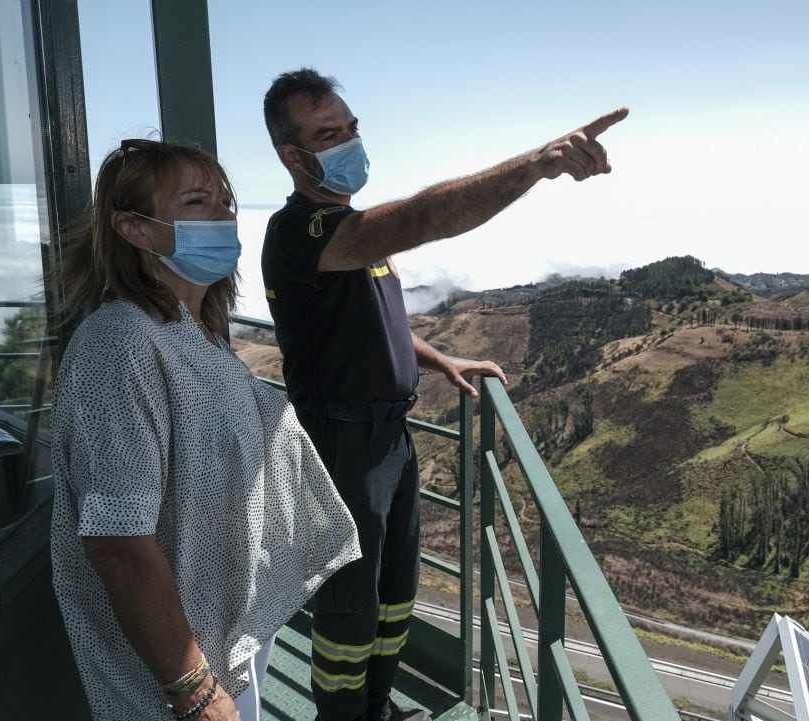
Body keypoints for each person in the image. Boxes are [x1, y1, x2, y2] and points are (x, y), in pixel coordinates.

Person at [260, 68, 626, 721]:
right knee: (350, 603)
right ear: (293, 155)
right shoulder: (303, 232)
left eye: (351, 128)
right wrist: (538, 164)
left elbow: (379, 324)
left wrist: (437, 356)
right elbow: (428, 215)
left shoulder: (349, 233)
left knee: (394, 593)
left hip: (387, 436)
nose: (347, 141)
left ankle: (377, 706)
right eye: (327, 134)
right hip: (343, 441)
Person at [49, 138, 361, 721]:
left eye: (226, 201)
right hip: (178, 672)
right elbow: (119, 545)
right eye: (198, 202)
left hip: (219, 635)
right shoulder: (120, 344)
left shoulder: (196, 332)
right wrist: (196, 692)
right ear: (135, 230)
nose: (225, 216)